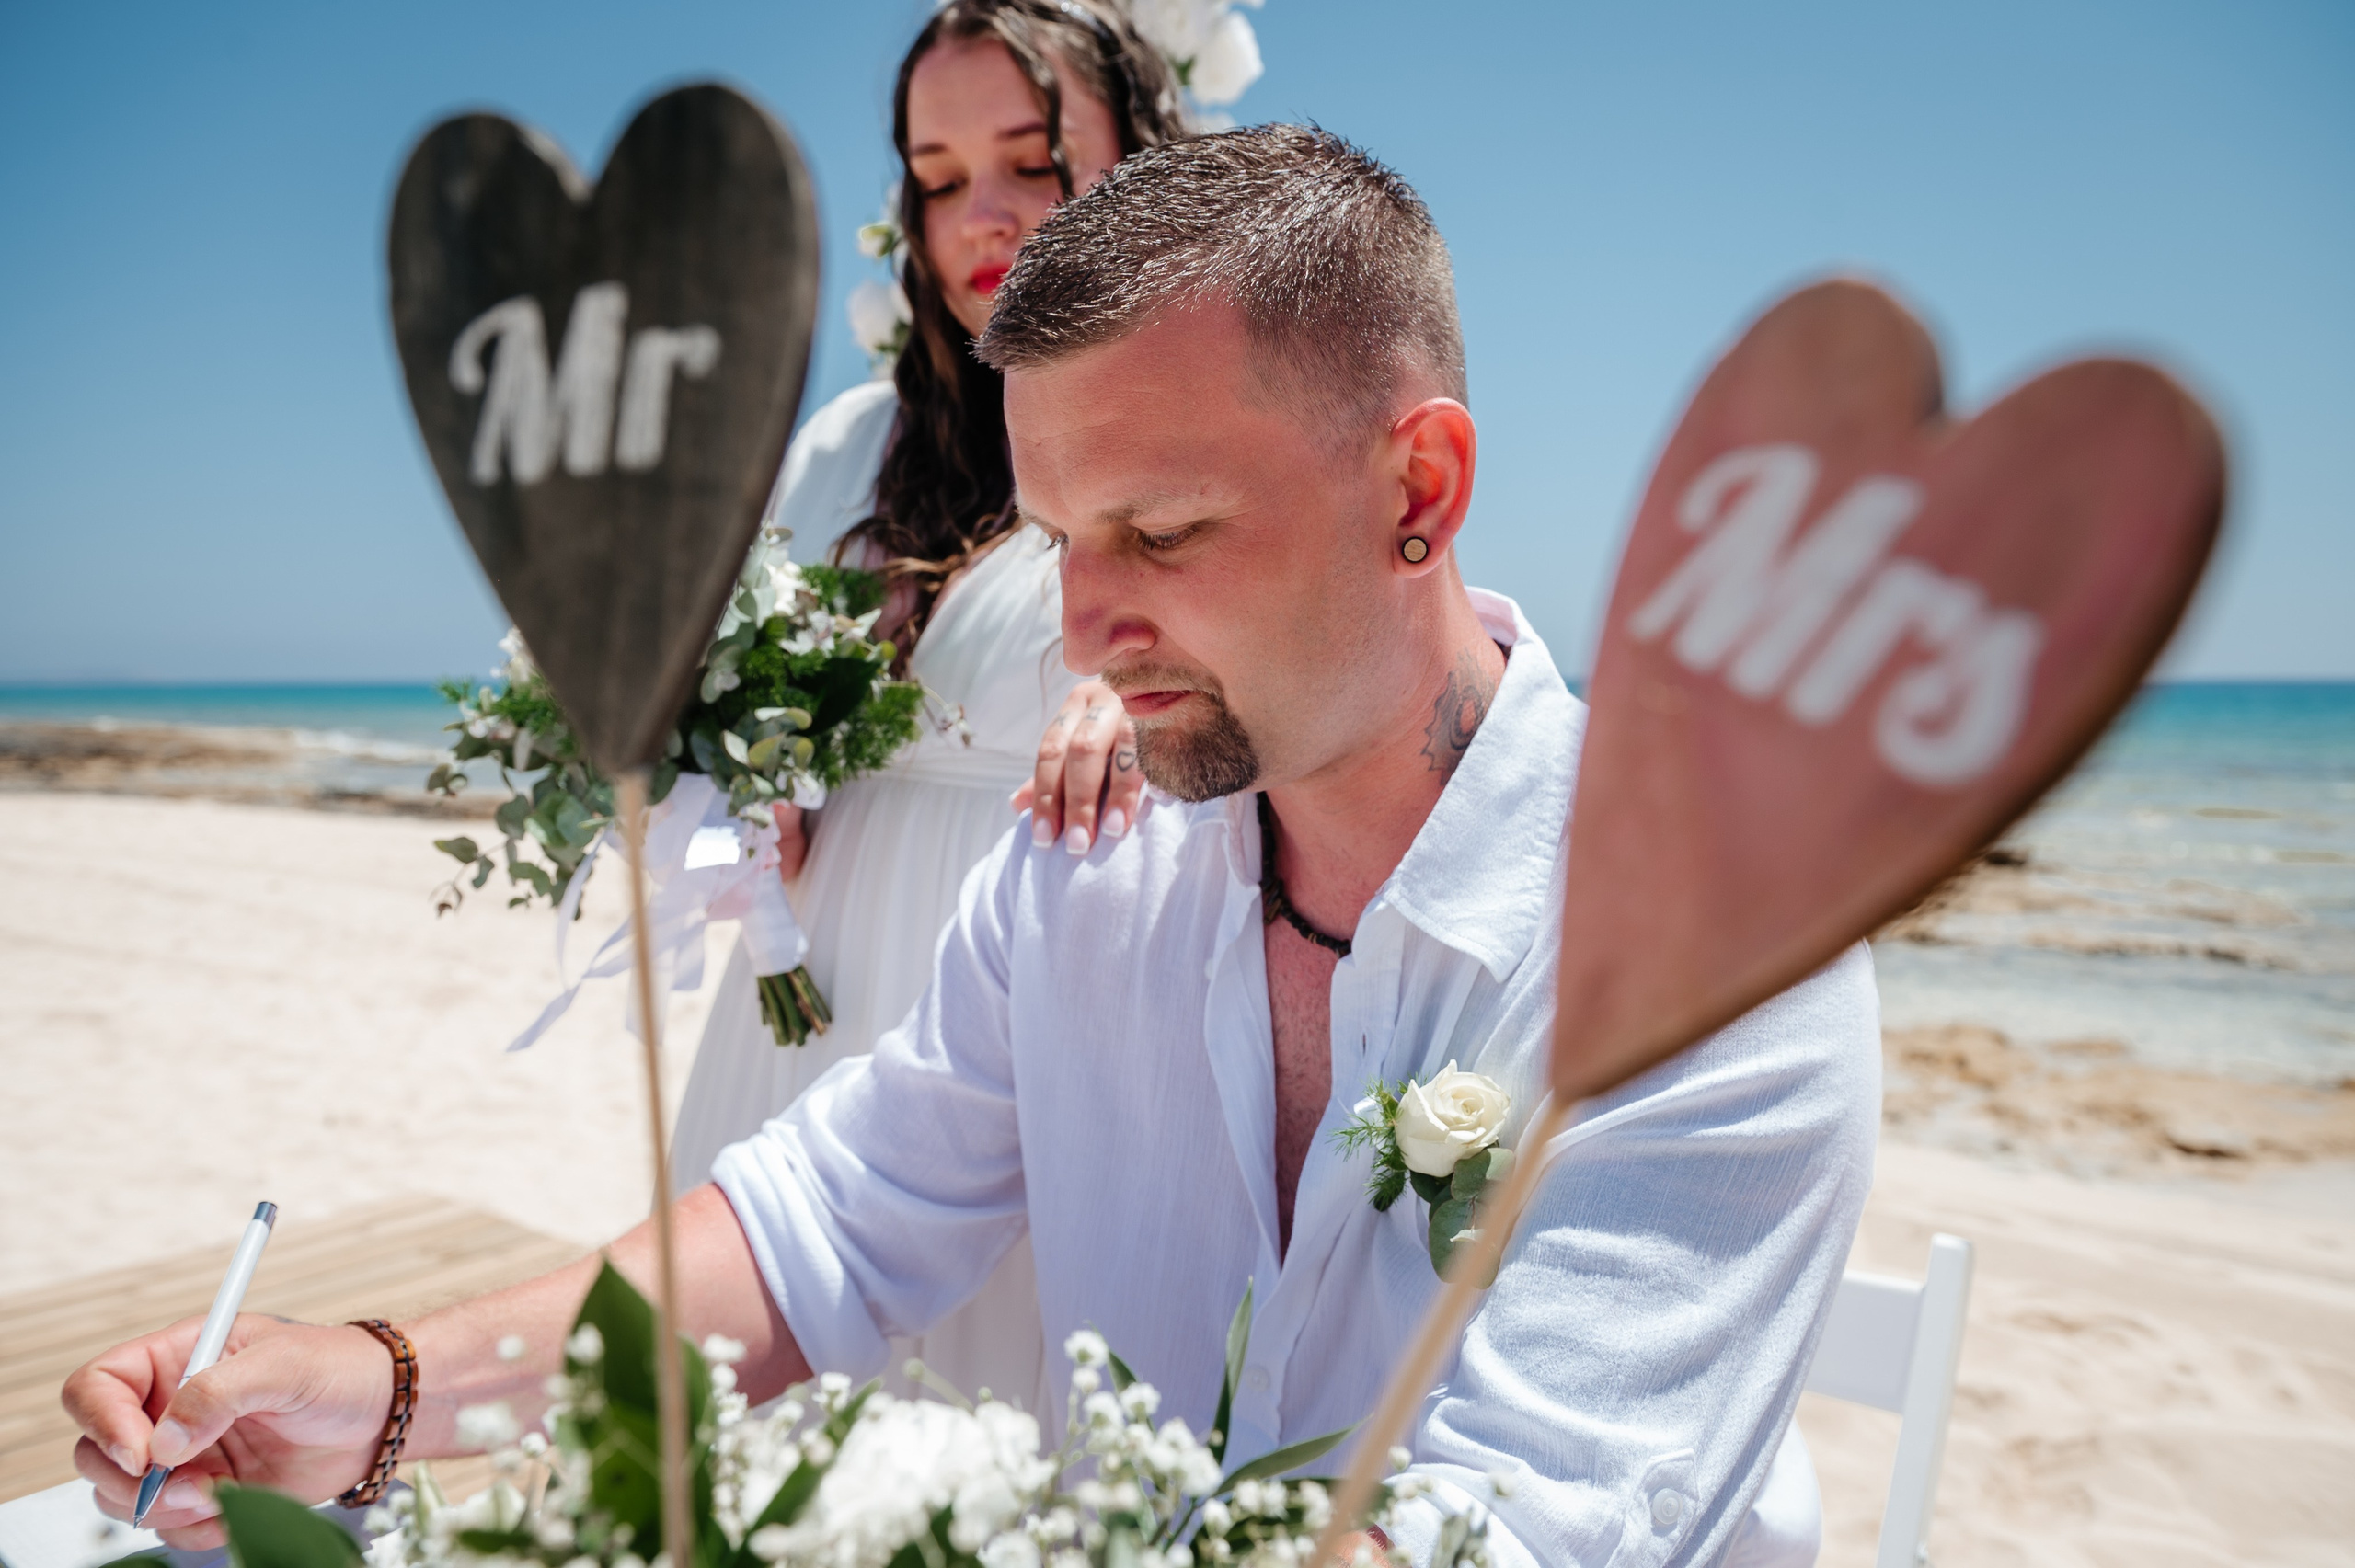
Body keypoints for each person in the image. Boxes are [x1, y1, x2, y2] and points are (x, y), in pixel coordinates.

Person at [67, 128, 1878, 1568]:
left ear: (1414, 488)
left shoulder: (1722, 949)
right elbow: (824, 1227)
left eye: (1161, 533)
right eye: (1056, 539)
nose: (1084, 632)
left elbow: (1510, 1526)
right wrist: (376, 1394)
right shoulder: (1092, 857)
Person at [664, 0, 1178, 1408]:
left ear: (1140, 155)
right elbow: (758, 716)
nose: (981, 217)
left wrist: (1167, 700)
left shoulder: (1209, 431)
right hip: (815, 1006)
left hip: (1044, 1025)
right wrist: (750, 792)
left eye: (1029, 159)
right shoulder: (847, 449)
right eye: (940, 180)